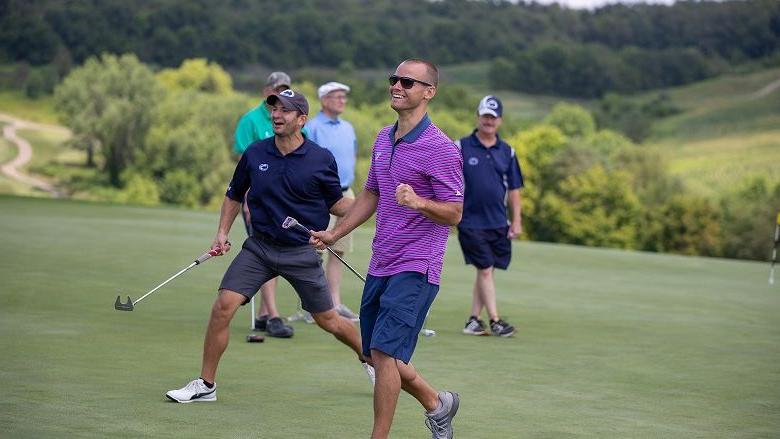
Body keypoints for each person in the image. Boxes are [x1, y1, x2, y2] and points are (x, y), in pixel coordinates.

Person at [166, 89, 374, 403]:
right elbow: (235, 194)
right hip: (260, 248)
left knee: (328, 320)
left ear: (301, 119)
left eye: (285, 111)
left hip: (301, 251)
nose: (277, 115)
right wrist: (222, 232)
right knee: (223, 307)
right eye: (274, 109)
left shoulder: (320, 158)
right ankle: (205, 385)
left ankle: (369, 357)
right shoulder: (256, 153)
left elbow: (335, 203)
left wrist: (371, 207)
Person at [310, 59, 463, 439]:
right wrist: (335, 233)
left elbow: (455, 212)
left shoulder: (440, 148)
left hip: (417, 265)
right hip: (382, 262)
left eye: (408, 82)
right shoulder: (383, 137)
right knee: (377, 352)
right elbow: (371, 194)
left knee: (381, 354)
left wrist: (421, 203)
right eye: (394, 79)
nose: (397, 86)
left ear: (429, 92)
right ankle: (437, 403)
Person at [233, 71, 295, 338]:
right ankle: (273, 315)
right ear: (266, 92)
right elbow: (243, 163)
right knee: (267, 253)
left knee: (276, 252)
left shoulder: (290, 120)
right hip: (256, 199)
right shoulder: (251, 120)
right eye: (275, 91)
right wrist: (246, 198)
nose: (279, 96)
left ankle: (262, 315)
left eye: (284, 90)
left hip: (282, 200)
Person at [456, 95, 522, 338]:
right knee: (485, 269)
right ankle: (495, 320)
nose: (489, 121)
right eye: (485, 116)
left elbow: (514, 190)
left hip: (498, 222)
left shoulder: (508, 151)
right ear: (478, 117)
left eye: (493, 117)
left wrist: (516, 221)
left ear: (500, 121)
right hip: (470, 221)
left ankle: (473, 320)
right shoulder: (461, 147)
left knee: (487, 271)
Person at [304, 81, 360, 322]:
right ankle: (311, 306)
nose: (342, 101)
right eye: (337, 96)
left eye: (343, 97)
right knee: (315, 249)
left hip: (347, 193)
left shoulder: (348, 127)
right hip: (320, 195)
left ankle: (334, 303)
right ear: (324, 100)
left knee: (338, 250)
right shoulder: (313, 127)